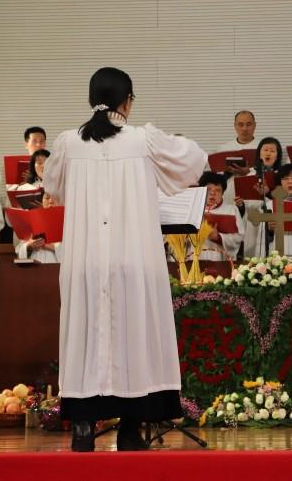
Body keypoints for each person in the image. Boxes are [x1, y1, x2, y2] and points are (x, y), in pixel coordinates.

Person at [43, 67, 207, 452]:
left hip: (85, 260)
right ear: (127, 101)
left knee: (85, 337)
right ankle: (130, 429)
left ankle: (83, 425)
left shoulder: (68, 143)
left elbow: (54, 185)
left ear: (91, 100)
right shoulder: (143, 140)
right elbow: (194, 160)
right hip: (134, 258)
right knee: (135, 338)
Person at [240, 137, 283, 258]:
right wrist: (240, 205)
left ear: (277, 156)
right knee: (253, 257)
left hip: (273, 222)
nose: (268, 153)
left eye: (272, 151)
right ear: (259, 153)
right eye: (265, 150)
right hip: (253, 222)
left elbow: (286, 201)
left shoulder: (282, 176)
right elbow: (244, 204)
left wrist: (268, 193)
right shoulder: (250, 176)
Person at [196, 171, 243, 262]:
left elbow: (238, 238)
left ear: (223, 193)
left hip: (219, 259)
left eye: (218, 190)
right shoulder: (193, 209)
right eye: (209, 189)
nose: (213, 193)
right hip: (194, 257)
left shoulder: (231, 210)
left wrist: (218, 237)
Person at [218, 110, 260, 204]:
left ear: (254, 125)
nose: (244, 129)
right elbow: (217, 177)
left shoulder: (263, 148)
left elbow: (269, 175)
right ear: (235, 126)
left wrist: (249, 172)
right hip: (229, 195)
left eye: (248, 124)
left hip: (254, 196)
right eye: (240, 125)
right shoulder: (224, 149)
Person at [14, 193, 61, 263]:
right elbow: (20, 252)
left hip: (55, 264)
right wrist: (29, 246)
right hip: (34, 264)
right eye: (47, 198)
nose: (50, 201)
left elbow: (73, 252)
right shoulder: (31, 221)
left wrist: (54, 247)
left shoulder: (67, 223)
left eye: (54, 198)